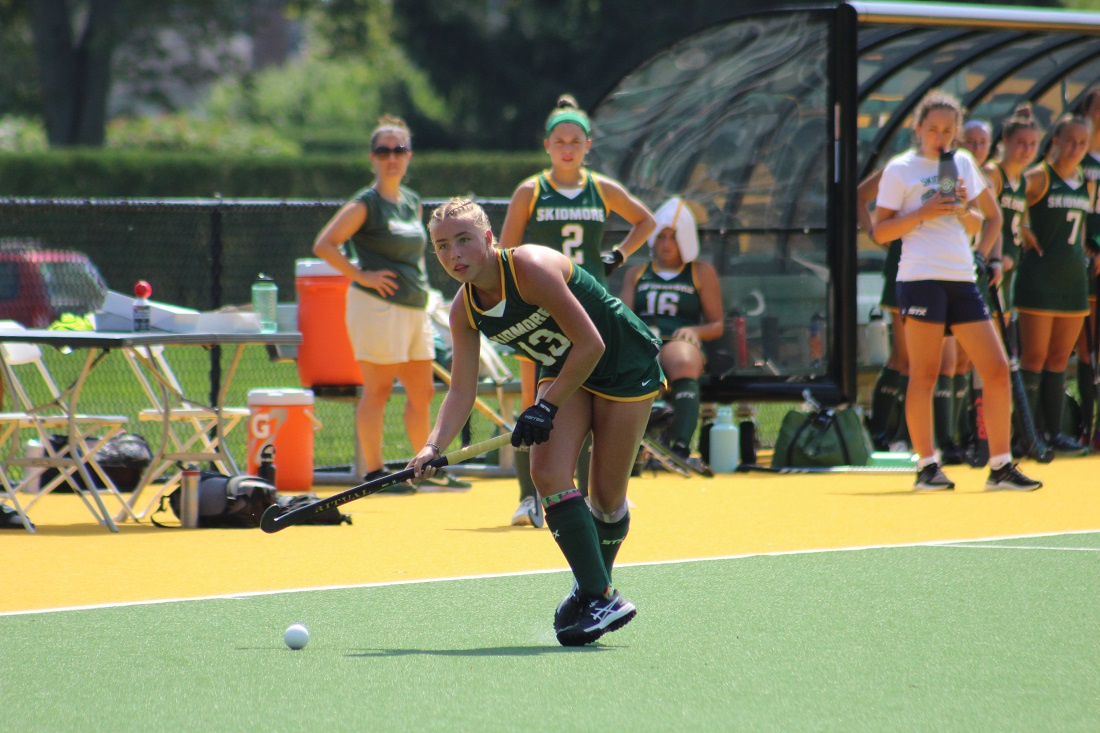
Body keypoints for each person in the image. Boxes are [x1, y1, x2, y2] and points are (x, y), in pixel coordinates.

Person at [409, 197, 663, 646]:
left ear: (489, 239)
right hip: (565, 367)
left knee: (606, 498)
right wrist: (432, 447)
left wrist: (544, 407)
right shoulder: (463, 310)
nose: (454, 255)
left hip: (620, 361)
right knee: (546, 472)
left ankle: (593, 587)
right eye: (443, 246)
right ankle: (599, 593)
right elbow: (462, 390)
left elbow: (592, 343)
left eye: (464, 240)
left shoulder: (528, 268)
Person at [498, 94, 656, 525]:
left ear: (588, 145)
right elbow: (505, 252)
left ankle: (596, 493)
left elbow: (646, 220)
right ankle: (529, 497)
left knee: (595, 398)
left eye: (575, 140)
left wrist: (618, 255)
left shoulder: (600, 187)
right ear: (546, 145)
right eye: (560, 140)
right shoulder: (531, 190)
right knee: (537, 400)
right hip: (543, 312)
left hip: (591, 311)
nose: (567, 147)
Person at [873, 89, 1041, 491]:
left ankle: (1000, 466)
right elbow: (881, 231)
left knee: (997, 369)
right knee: (925, 374)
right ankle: (926, 467)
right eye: (933, 129)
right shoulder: (901, 169)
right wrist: (921, 212)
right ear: (918, 129)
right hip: (920, 279)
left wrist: (978, 242)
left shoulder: (961, 163)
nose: (941, 137)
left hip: (962, 278)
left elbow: (991, 220)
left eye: (949, 130)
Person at [312, 116, 466, 494]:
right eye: (384, 151)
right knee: (377, 390)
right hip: (376, 309)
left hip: (414, 308)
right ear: (373, 158)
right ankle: (375, 473)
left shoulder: (411, 202)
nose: (392, 157)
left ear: (409, 155)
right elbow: (324, 244)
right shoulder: (367, 203)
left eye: (399, 150)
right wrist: (361, 275)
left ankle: (424, 466)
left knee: (423, 392)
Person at [1014, 113, 1096, 456]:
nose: (1076, 148)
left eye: (1083, 142)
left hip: (1074, 280)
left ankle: (1055, 433)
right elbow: (1006, 208)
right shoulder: (1037, 177)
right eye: (1070, 140)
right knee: (1034, 356)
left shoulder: (1086, 182)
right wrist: (1021, 229)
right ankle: (1028, 435)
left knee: (1061, 359)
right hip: (1039, 279)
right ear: (1056, 141)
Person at [619, 197, 723, 459]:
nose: (666, 244)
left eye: (674, 238)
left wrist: (695, 332)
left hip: (679, 341)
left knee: (682, 358)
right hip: (644, 340)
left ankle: (680, 445)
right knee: (636, 359)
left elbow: (717, 324)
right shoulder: (637, 272)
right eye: (662, 237)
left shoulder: (700, 271)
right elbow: (623, 315)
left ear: (686, 240)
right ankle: (634, 445)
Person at [983, 105, 1042, 454]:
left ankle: (1006, 436)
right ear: (1004, 142)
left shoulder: (1022, 181)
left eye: (1033, 144)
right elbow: (986, 216)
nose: (1027, 149)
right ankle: (971, 437)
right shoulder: (993, 173)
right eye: (1021, 143)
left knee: (1001, 358)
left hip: (1008, 277)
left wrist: (1023, 228)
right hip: (988, 274)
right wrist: (994, 255)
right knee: (974, 359)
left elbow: (1011, 217)